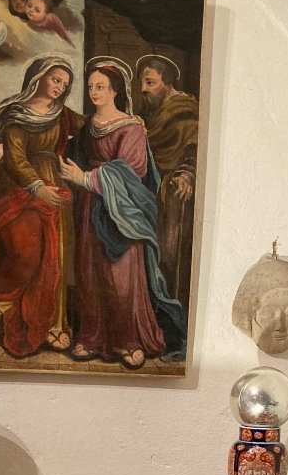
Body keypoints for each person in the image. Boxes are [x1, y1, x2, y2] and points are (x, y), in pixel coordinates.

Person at [59, 57, 184, 370]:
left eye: (101, 86)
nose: (94, 92)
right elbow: (74, 154)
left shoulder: (131, 128)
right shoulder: (87, 127)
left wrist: (86, 178)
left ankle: (128, 341)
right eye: (90, 87)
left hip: (122, 212)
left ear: (115, 90)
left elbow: (134, 170)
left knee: (121, 278)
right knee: (89, 273)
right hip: (90, 207)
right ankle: (90, 337)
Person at [0, 55, 81, 357]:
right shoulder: (15, 113)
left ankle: (51, 325)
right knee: (23, 251)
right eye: (55, 79)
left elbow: (90, 127)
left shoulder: (63, 114)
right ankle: (4, 299)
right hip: (17, 186)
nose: (59, 87)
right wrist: (37, 188)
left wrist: (125, 120)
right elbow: (15, 157)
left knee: (52, 255)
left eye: (64, 83)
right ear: (39, 77)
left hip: (52, 183)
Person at [136, 54, 199, 358]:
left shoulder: (185, 110)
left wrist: (187, 172)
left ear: (166, 82)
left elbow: (194, 146)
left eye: (150, 82)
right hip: (153, 196)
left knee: (171, 259)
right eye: (142, 83)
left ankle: (174, 333)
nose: (144, 89)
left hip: (176, 199)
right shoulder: (151, 114)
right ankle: (152, 329)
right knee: (150, 257)